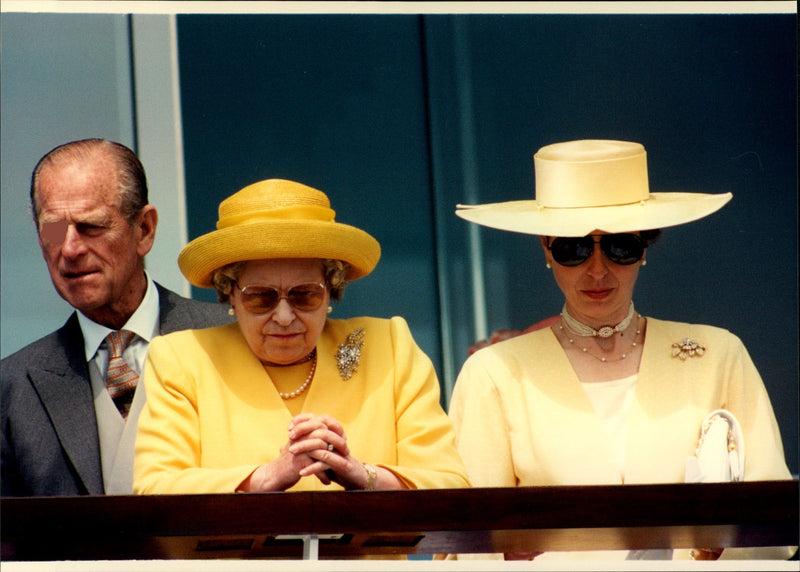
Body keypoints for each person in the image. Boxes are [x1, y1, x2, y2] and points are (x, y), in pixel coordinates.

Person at [448, 139, 795, 561]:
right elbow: (468, 546)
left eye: (620, 247)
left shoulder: (718, 354)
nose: (597, 270)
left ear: (644, 247)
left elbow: (773, 525)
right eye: (573, 248)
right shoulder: (494, 372)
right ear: (545, 247)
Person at [133, 178, 469, 495]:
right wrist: (264, 478)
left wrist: (361, 474)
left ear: (331, 291)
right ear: (230, 294)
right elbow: (155, 488)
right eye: (260, 296)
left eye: (305, 295)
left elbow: (450, 485)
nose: (283, 316)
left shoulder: (387, 347)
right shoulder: (185, 360)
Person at [1, 139, 232, 497]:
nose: (70, 249)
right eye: (53, 230)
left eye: (91, 227)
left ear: (144, 230)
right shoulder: (13, 387)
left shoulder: (231, 340)